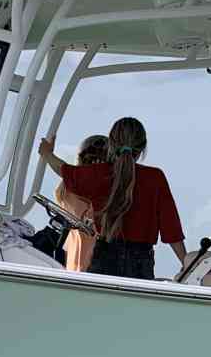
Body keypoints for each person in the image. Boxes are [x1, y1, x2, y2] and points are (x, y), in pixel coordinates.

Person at [38, 116, 188, 280]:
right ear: (143, 147)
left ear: (112, 144)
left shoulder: (100, 174)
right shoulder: (155, 178)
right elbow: (171, 229)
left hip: (104, 259)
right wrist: (185, 264)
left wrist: (46, 152)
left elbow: (65, 171)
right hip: (140, 264)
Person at [56, 134, 108, 273]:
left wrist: (47, 153)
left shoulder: (65, 191)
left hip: (76, 266)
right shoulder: (107, 195)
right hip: (89, 267)